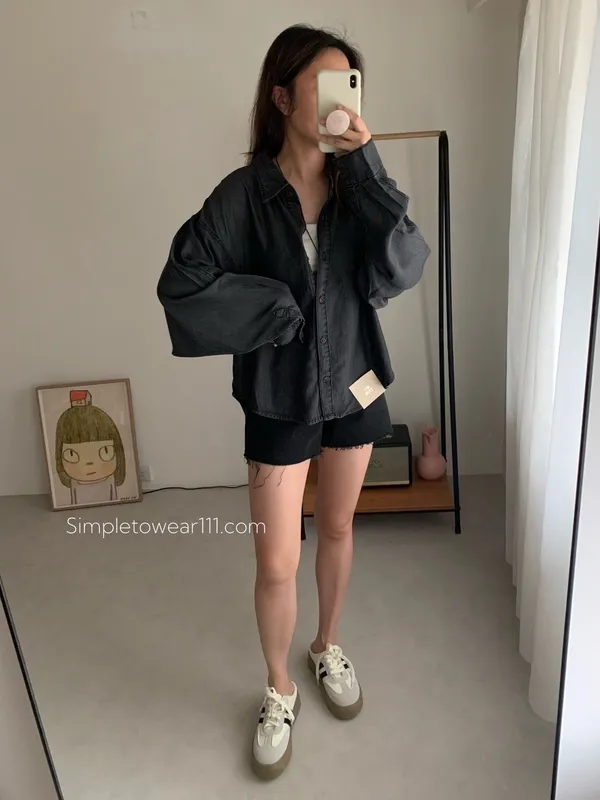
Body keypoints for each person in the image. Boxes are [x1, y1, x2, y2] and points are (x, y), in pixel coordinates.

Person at [157, 24, 430, 780]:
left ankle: (326, 645)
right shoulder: (243, 195)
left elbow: (406, 262)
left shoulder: (357, 187)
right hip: (278, 396)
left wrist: (365, 162)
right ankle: (279, 687)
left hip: (356, 384)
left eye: (352, 84)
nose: (343, 100)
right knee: (277, 561)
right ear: (282, 98)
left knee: (338, 526)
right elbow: (183, 281)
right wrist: (274, 313)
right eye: (324, 84)